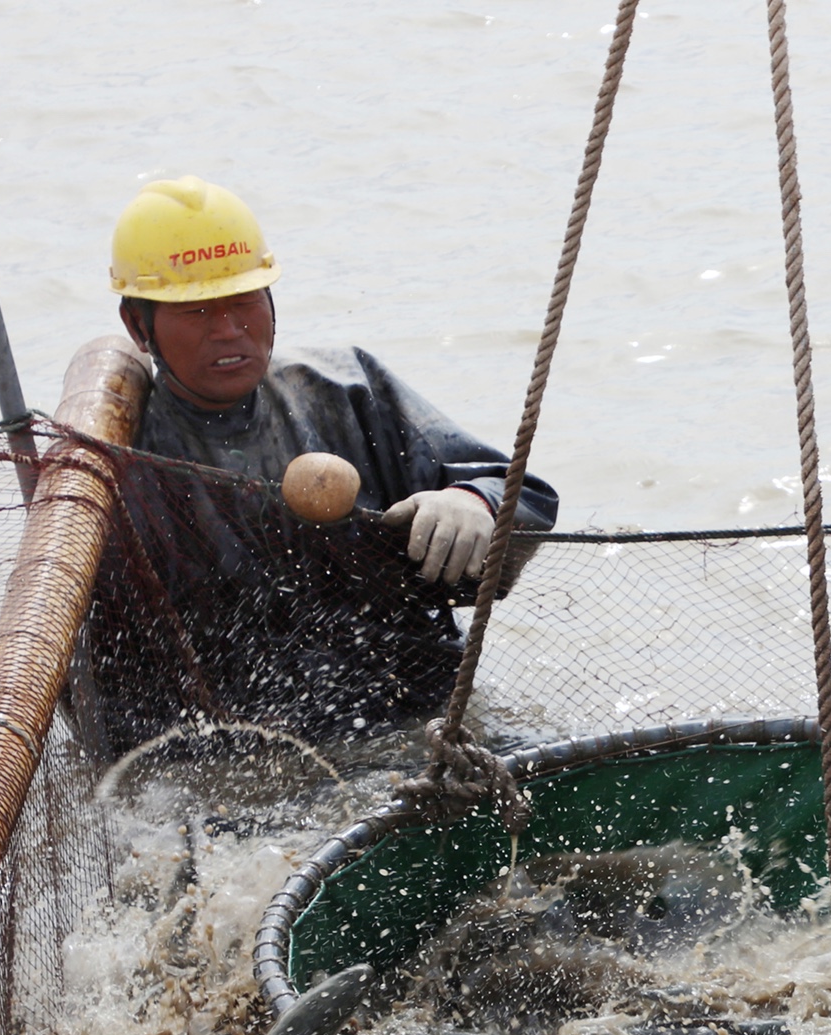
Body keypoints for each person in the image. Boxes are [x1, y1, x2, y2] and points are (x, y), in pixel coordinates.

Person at [85, 175, 558, 754]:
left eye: (243, 302)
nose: (229, 330)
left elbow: (526, 493)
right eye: (198, 310)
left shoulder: (347, 390)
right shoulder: (113, 471)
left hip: (416, 723)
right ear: (139, 325)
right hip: (242, 764)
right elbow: (100, 689)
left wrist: (473, 501)